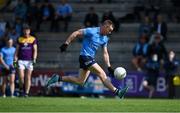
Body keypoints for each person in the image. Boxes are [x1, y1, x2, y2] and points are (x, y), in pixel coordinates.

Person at [46, 20, 128, 98]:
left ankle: (57, 78)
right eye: (109, 30)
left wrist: (109, 67)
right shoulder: (92, 31)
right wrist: (66, 43)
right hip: (85, 57)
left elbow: (105, 53)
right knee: (101, 73)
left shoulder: (105, 39)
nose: (110, 32)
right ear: (105, 26)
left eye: (111, 31)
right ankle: (118, 92)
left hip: (89, 58)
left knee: (80, 81)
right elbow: (77, 32)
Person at [14, 24, 38, 97]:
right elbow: (17, 51)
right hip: (21, 60)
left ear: (29, 31)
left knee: (28, 77)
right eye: (25, 30)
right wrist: (15, 61)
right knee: (21, 77)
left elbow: (35, 50)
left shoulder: (33, 39)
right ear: (23, 31)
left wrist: (34, 59)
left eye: (27, 30)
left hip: (30, 61)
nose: (26, 32)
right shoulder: (20, 39)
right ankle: (21, 88)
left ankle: (26, 93)